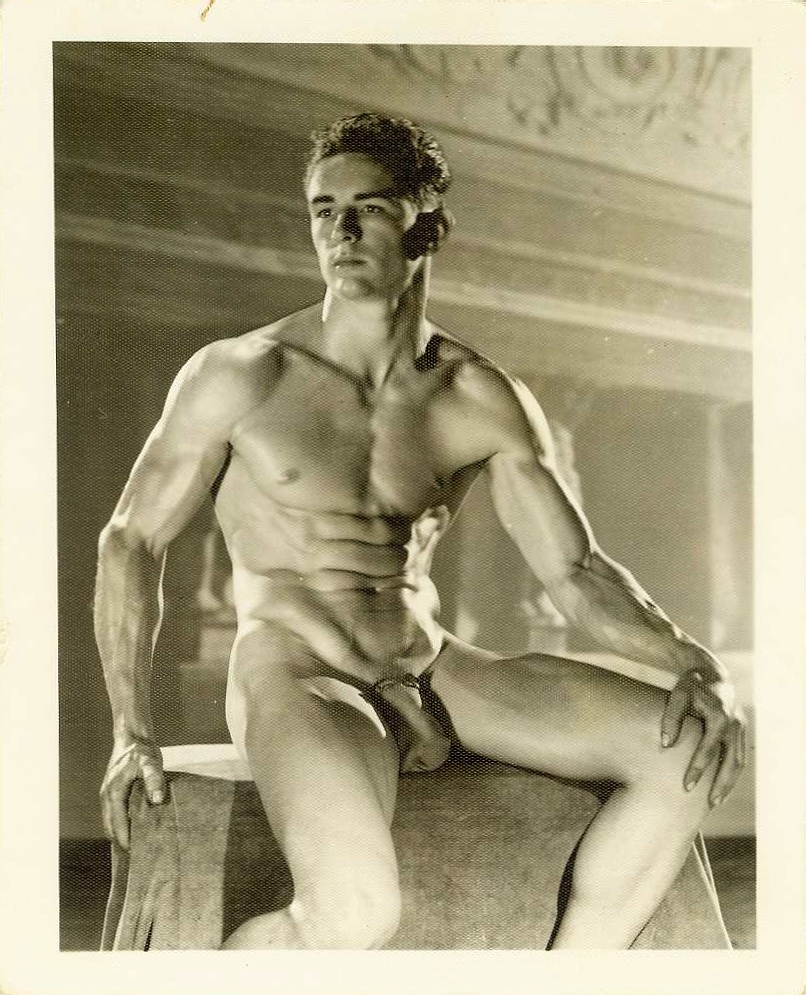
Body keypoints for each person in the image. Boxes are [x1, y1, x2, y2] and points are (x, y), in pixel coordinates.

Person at [96, 113, 746, 950]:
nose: (341, 230)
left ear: (427, 224)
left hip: (432, 666)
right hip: (301, 669)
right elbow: (131, 540)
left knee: (686, 751)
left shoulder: (478, 394)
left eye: (368, 207)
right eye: (324, 209)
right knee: (354, 913)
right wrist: (130, 729)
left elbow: (576, 570)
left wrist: (697, 663)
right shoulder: (243, 373)